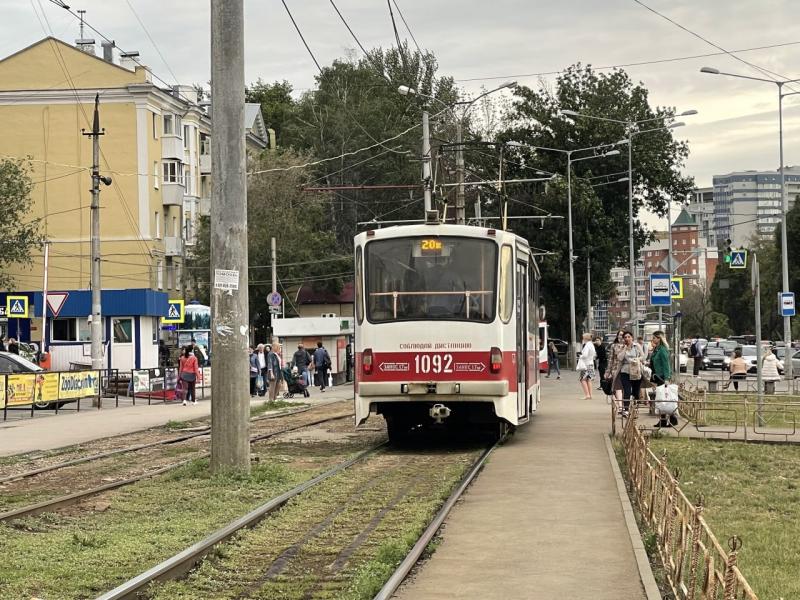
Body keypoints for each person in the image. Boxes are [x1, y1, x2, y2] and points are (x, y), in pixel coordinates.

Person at [650, 331, 674, 427]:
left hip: (663, 377)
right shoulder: (657, 349)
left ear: (659, 338)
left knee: (664, 398)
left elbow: (666, 365)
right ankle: (665, 420)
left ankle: (670, 419)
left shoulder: (662, 350)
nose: (653, 340)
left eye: (654, 338)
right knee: (662, 398)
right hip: (658, 376)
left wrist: (667, 378)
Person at [577, 333, 596, 400]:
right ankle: (590, 395)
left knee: (582, 379)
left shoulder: (587, 345)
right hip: (591, 364)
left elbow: (585, 355)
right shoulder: (591, 344)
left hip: (586, 364)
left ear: (585, 338)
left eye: (583, 337)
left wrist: (580, 356)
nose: (582, 339)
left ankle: (587, 395)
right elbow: (594, 355)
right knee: (589, 379)